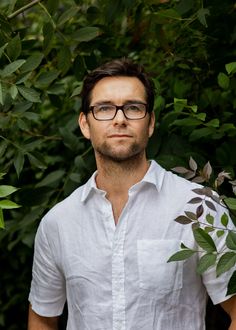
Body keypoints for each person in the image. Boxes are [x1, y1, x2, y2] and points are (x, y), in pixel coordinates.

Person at [28, 58, 236, 330]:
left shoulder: (199, 208)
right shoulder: (58, 223)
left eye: (133, 108)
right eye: (104, 108)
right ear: (84, 125)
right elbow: (42, 318)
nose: (119, 119)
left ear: (150, 123)